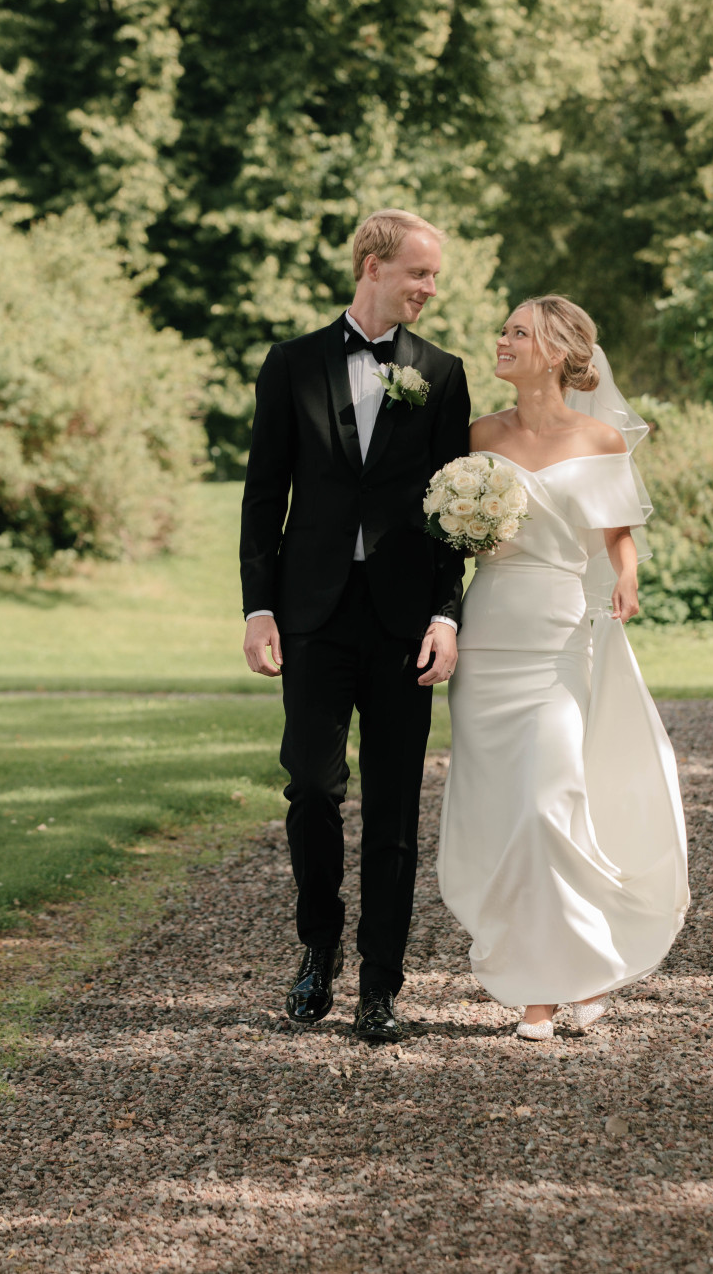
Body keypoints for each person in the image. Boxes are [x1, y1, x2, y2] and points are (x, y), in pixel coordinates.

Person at [241, 209, 471, 1042]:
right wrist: (258, 605)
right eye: (420, 273)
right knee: (311, 784)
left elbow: (454, 513)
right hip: (313, 616)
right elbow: (265, 495)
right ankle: (317, 953)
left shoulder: (443, 374)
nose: (430, 289)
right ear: (372, 265)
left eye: (434, 275)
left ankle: (381, 986)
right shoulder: (292, 364)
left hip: (406, 622)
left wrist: (448, 614)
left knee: (395, 804)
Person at [437, 295, 689, 1040]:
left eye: (518, 332)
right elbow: (447, 539)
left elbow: (618, 533)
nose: (502, 339)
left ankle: (550, 988)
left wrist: (627, 575)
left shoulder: (601, 437)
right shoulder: (477, 435)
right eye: (505, 329)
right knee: (504, 811)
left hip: (558, 635)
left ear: (554, 351)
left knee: (552, 801)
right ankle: (559, 973)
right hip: (488, 637)